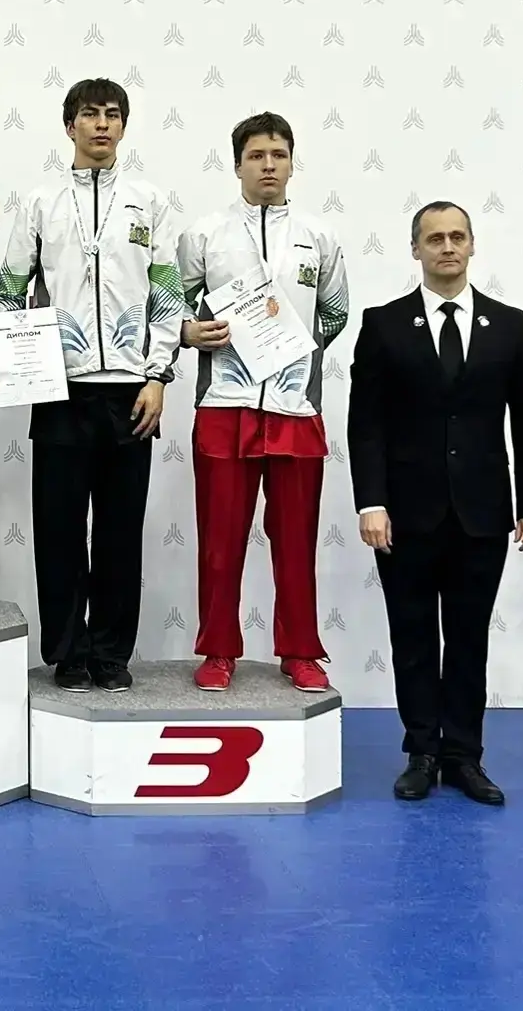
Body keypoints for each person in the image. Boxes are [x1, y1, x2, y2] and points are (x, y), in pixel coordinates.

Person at [0, 78, 183, 691]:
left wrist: (158, 374)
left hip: (130, 390)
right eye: (90, 114)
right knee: (60, 532)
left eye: (112, 115)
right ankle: (68, 653)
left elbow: (167, 294)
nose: (101, 124)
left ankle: (112, 654)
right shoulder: (40, 202)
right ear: (69, 126)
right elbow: (9, 286)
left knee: (120, 533)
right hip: (59, 389)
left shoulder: (150, 203)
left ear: (124, 126)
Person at [348, 202, 523, 805]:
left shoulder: (509, 325)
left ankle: (464, 755)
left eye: (457, 236)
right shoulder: (383, 324)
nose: (447, 247)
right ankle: (421, 751)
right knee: (412, 637)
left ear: (472, 245)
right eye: (434, 238)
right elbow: (366, 426)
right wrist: (370, 503)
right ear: (416, 249)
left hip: (482, 514)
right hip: (404, 514)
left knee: (468, 639)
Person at [177, 111, 348, 693]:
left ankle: (300, 650)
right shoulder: (205, 235)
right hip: (224, 405)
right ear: (237, 166)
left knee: (296, 541)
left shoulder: (319, 236)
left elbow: (334, 312)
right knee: (220, 542)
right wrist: (191, 333)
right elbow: (174, 306)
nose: (268, 166)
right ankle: (218, 649)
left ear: (293, 163)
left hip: (295, 409)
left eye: (278, 155)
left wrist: (292, 352)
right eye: (256, 156)